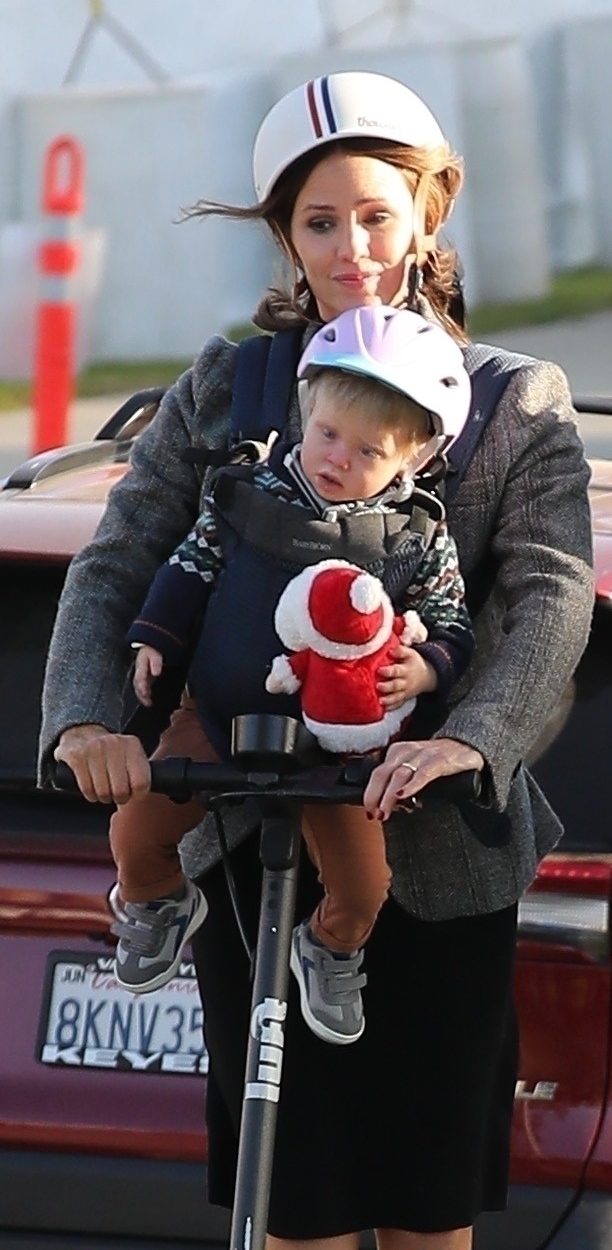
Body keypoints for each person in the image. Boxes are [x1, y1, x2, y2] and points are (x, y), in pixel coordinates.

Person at [43, 72, 594, 1250]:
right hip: (257, 852)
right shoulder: (231, 387)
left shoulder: (514, 399)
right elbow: (121, 564)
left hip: (441, 859)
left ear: (431, 210)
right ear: (284, 237)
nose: (353, 246)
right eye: (318, 222)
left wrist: (466, 734)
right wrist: (88, 722)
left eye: (377, 214)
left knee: (423, 1211)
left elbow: (550, 596)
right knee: (297, 1209)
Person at [108, 304, 477, 1049]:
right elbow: (190, 567)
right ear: (307, 411)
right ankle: (157, 901)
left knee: (364, 885)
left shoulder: (417, 534)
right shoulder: (248, 494)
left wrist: (425, 670)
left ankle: (330, 944)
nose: (336, 458)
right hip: (219, 716)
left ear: (414, 458)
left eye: (367, 451)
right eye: (327, 433)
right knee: (137, 829)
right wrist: (153, 640)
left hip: (336, 748)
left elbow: (451, 623)